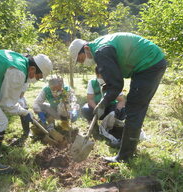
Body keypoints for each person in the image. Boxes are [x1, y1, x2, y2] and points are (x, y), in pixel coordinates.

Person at [69, 32, 167, 162]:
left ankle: (124, 156)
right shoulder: (100, 47)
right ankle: (126, 145)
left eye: (81, 59)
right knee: (134, 107)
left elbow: (116, 86)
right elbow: (114, 80)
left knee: (134, 108)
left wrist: (102, 103)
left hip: (150, 64)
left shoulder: (101, 52)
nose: (83, 63)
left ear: (86, 49)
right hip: (146, 65)